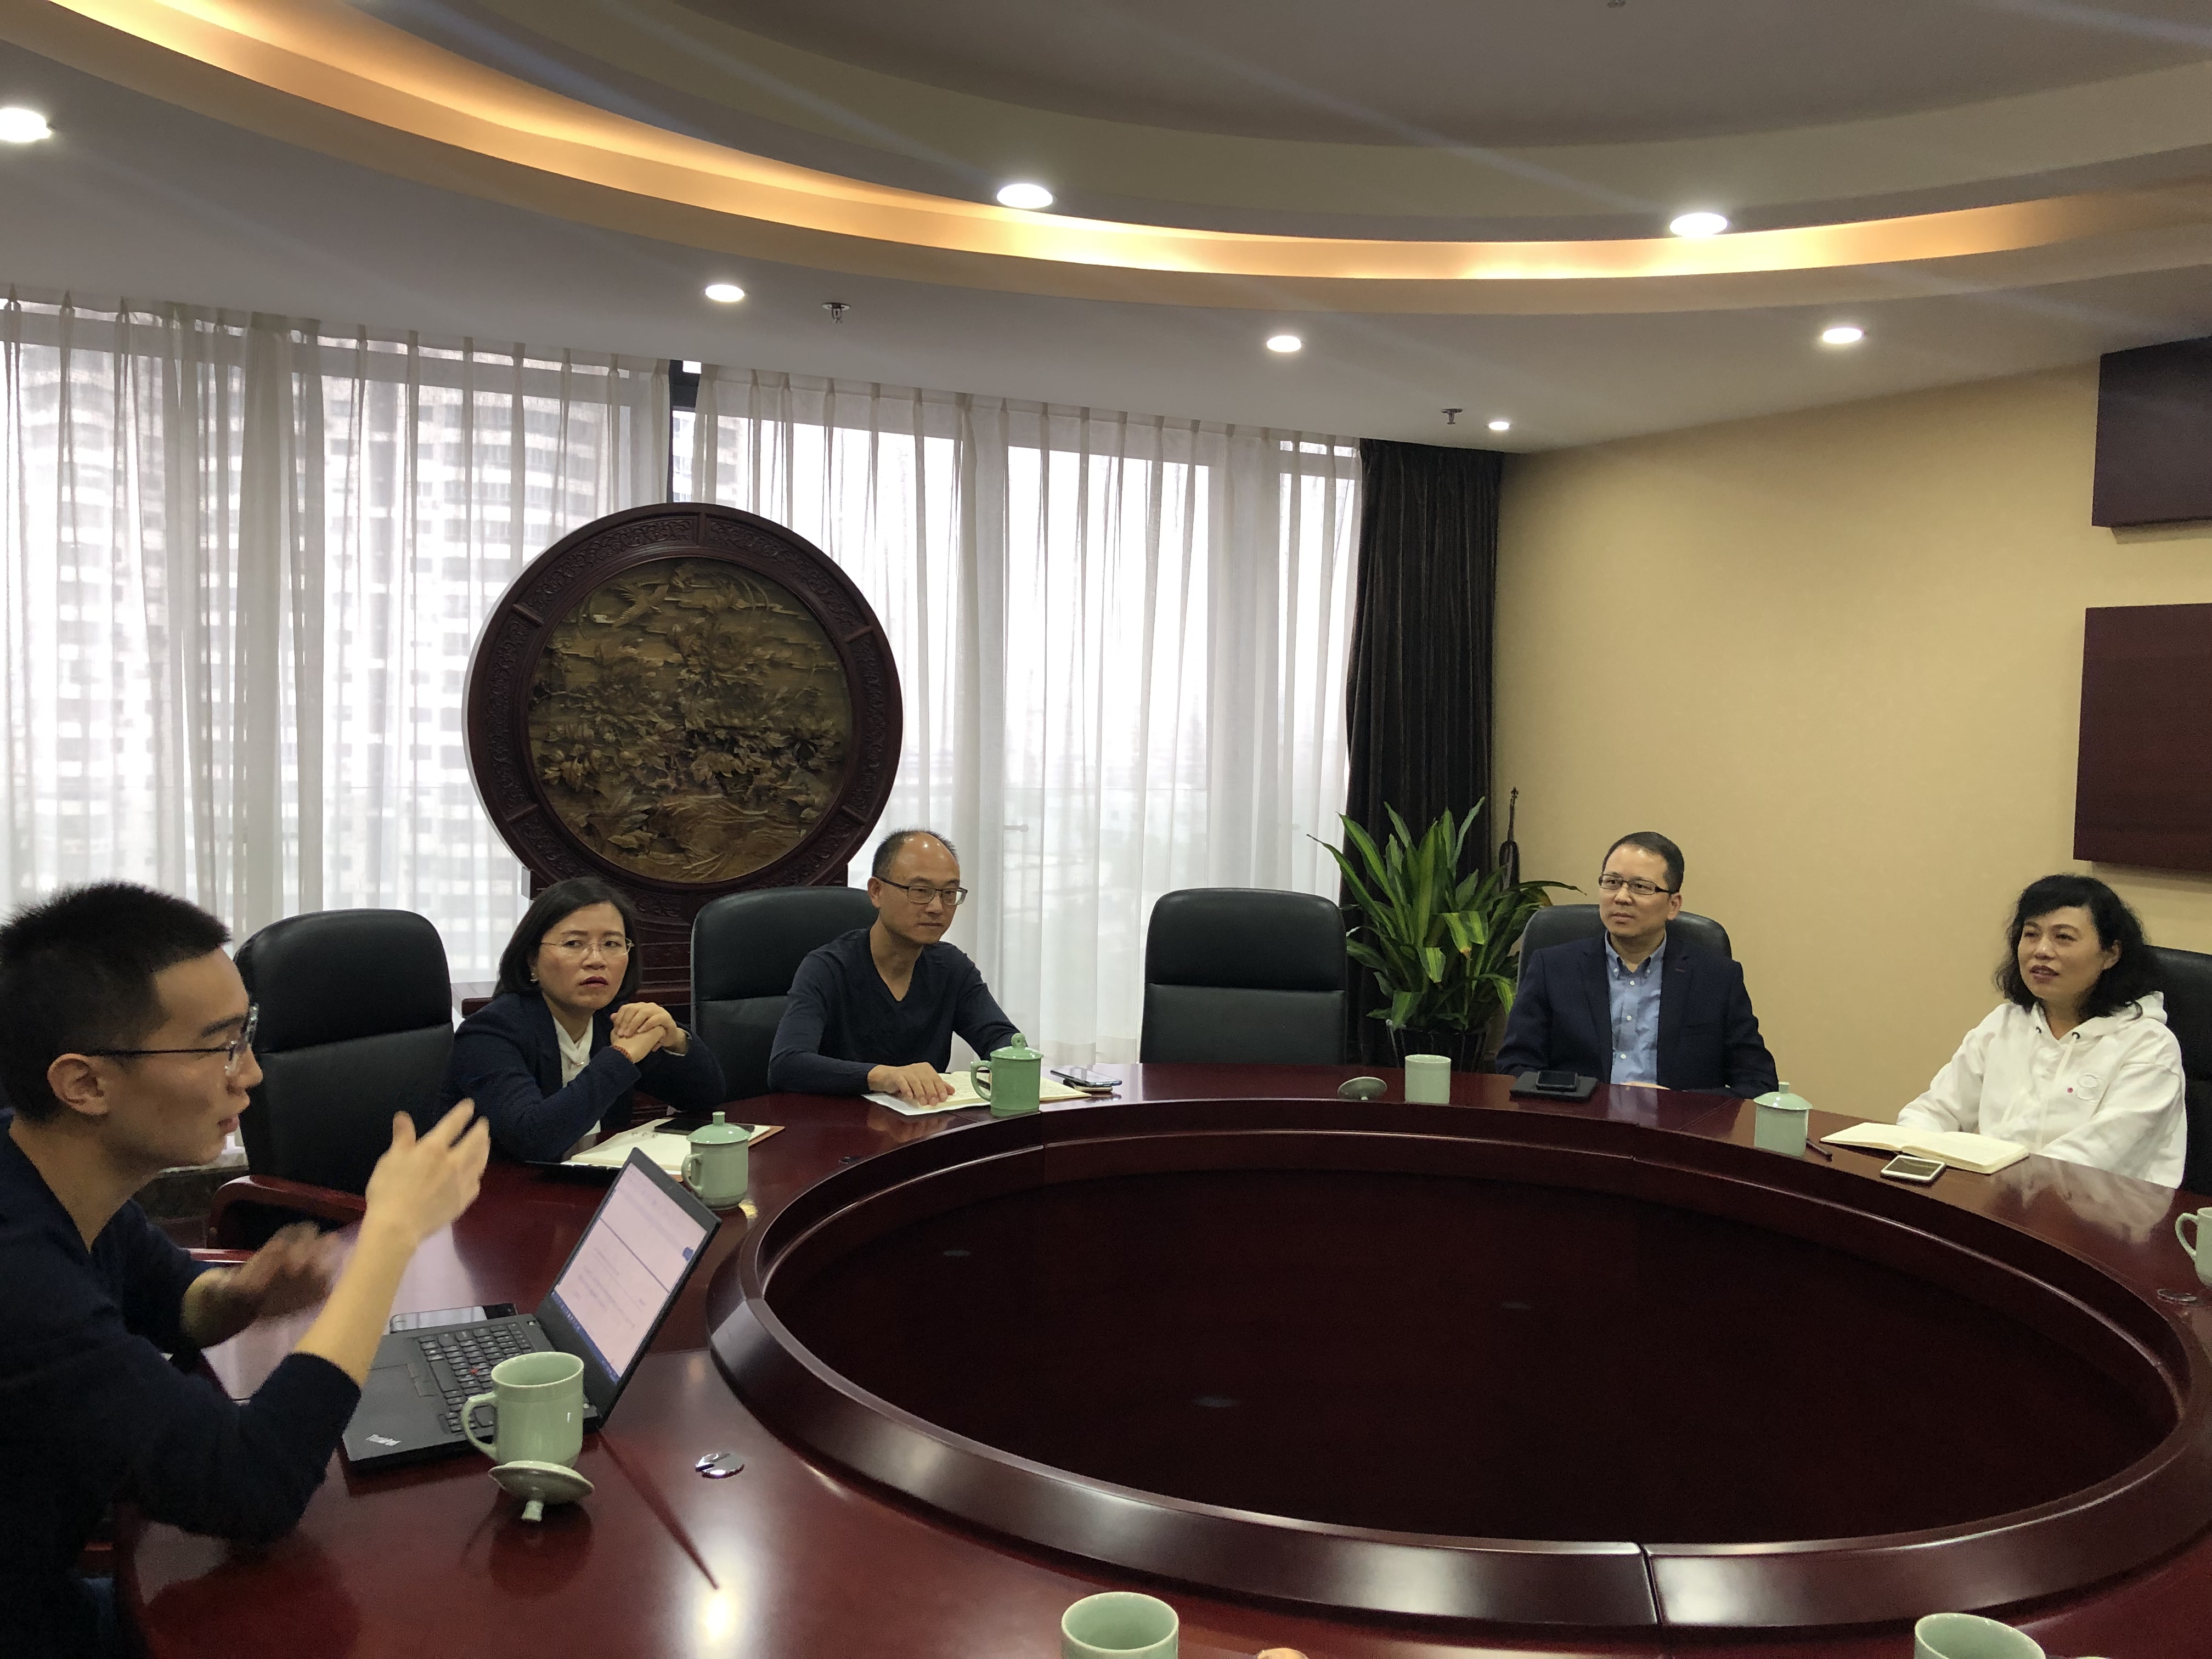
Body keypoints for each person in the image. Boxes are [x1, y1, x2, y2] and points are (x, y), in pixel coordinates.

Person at [0, 882, 490, 1659]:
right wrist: (391, 1234)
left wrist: (243, 1295)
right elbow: (251, 1487)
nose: (251, 1074)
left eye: (247, 1034)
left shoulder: (44, 1165)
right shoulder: (19, 1275)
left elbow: (172, 1299)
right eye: (218, 1045)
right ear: (85, 1084)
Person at [1897, 874, 2184, 1186]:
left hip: (2099, 1211)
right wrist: (1913, 1154)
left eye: (2064, 937)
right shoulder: (2005, 1024)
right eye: (2031, 934)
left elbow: (2090, 1161)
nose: (2042, 950)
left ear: (2111, 954)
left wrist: (1986, 1181)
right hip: (1995, 1198)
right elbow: (1934, 1110)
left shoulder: (2149, 1045)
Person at [442, 878, 726, 1163]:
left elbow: (706, 1099)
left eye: (612, 944)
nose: (596, 960)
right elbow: (534, 1139)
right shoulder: (489, 1033)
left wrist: (676, 1040)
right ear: (532, 960)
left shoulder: (611, 1020)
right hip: (503, 1188)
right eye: (574, 944)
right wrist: (622, 1056)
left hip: (594, 1182)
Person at [1496, 831, 1778, 1097]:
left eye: (1640, 887)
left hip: (1675, 1129)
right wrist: (1592, 1100)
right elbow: (1515, 1068)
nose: (1621, 897)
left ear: (1673, 905)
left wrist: (1674, 1105)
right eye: (1612, 882)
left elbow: (1759, 1084)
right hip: (1579, 1124)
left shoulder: (1717, 978)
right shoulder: (1552, 968)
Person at [769, 829, 1019, 1104]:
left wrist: (1012, 1060)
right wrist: (884, 1077)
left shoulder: (952, 967)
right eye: (921, 891)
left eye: (949, 893)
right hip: (840, 1123)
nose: (937, 907)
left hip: (924, 1121)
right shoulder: (827, 968)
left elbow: (1002, 1040)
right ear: (876, 892)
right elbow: (787, 1065)